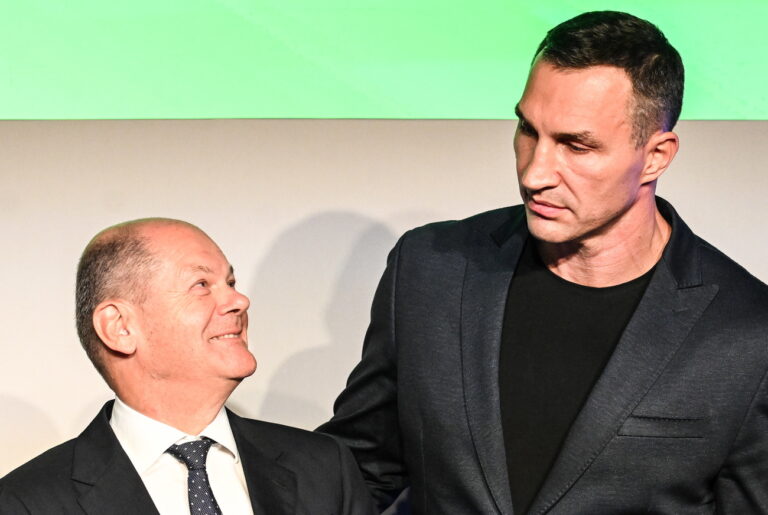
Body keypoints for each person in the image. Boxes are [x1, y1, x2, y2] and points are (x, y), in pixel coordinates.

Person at [318, 10, 768, 513]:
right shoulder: (431, 271)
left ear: (657, 156)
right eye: (528, 130)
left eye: (577, 145)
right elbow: (356, 471)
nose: (535, 173)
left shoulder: (749, 333)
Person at [0, 219, 374, 515]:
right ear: (120, 327)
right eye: (201, 284)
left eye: (230, 281)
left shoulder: (324, 469)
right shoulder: (28, 502)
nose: (239, 300)